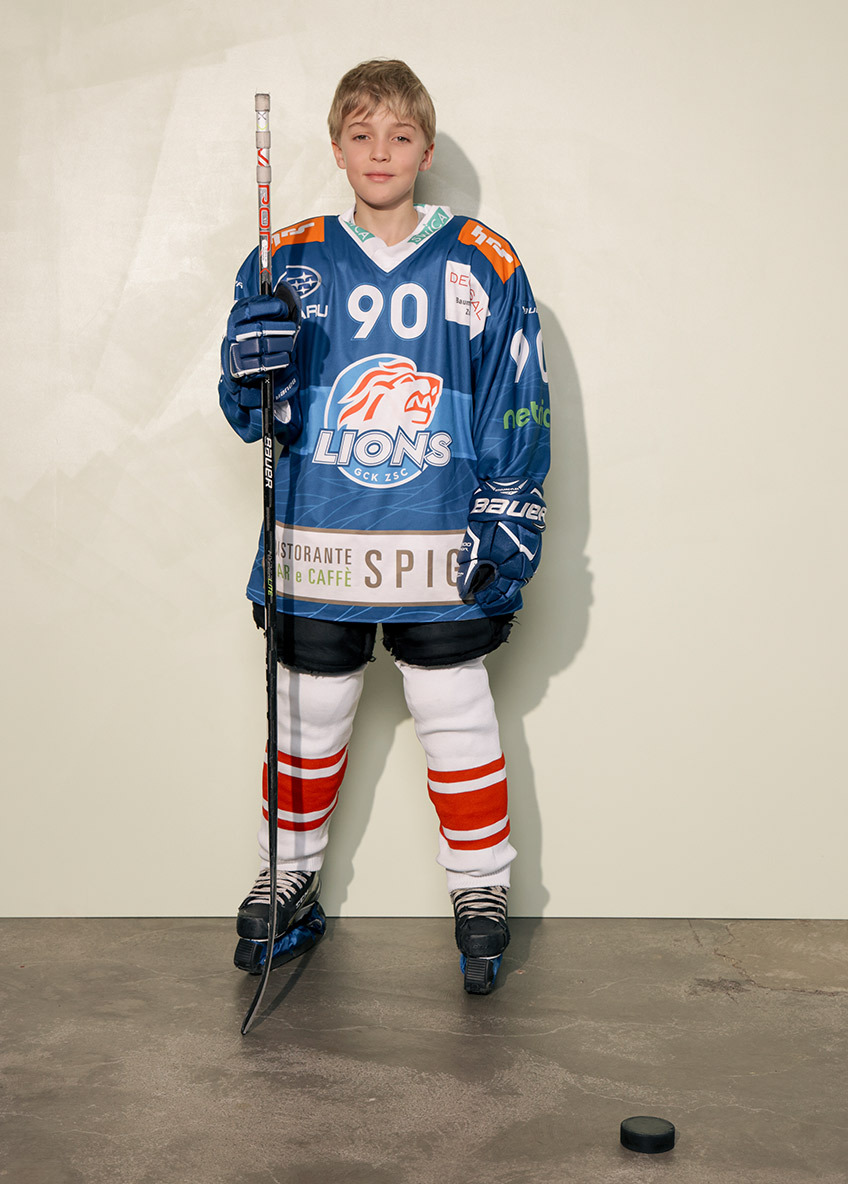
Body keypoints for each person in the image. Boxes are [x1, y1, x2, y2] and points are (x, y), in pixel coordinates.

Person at [218, 59, 550, 993]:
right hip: (319, 535)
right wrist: (252, 372)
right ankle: (288, 877)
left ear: (426, 149)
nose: (380, 152)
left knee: (454, 709)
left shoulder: (484, 259)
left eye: (400, 136)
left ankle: (481, 889)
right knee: (310, 712)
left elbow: (516, 395)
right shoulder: (285, 258)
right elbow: (249, 414)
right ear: (336, 148)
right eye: (361, 135)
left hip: (437, 535)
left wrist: (510, 507)